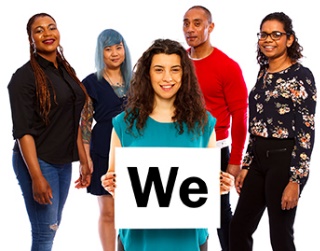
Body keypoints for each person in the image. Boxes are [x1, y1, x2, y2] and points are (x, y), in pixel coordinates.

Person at [100, 38, 235, 251]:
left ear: (184, 74)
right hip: (138, 240)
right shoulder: (124, 124)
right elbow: (117, 181)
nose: (167, 78)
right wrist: (111, 183)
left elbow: (206, 185)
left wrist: (220, 185)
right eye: (159, 69)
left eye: (175, 69)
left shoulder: (204, 123)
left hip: (189, 240)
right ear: (148, 74)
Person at [229, 12, 317, 251]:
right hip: (258, 158)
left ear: (289, 39)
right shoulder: (263, 73)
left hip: (284, 159)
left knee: (279, 236)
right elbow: (256, 124)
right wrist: (247, 165)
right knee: (238, 229)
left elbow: (306, 131)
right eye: (264, 34)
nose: (268, 39)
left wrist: (296, 180)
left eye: (276, 34)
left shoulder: (301, 76)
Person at [7, 13, 91, 251]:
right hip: (38, 159)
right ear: (30, 39)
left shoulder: (65, 70)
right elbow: (23, 132)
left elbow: (72, 119)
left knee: (53, 226)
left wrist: (84, 161)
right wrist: (36, 176)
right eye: (39, 30)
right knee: (45, 232)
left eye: (51, 27)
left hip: (63, 161)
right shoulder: (24, 78)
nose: (47, 33)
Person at [182, 5, 248, 251]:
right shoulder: (178, 63)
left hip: (216, 150)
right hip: (183, 148)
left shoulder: (227, 66)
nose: (190, 29)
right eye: (186, 23)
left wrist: (235, 160)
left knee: (219, 211)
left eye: (197, 23)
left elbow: (240, 117)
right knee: (186, 210)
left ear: (210, 27)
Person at [80, 28, 132, 251]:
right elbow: (84, 125)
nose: (114, 53)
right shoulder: (91, 83)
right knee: (108, 211)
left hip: (134, 149)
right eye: (107, 49)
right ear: (99, 53)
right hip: (103, 150)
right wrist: (85, 159)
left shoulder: (137, 80)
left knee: (134, 209)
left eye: (118, 47)